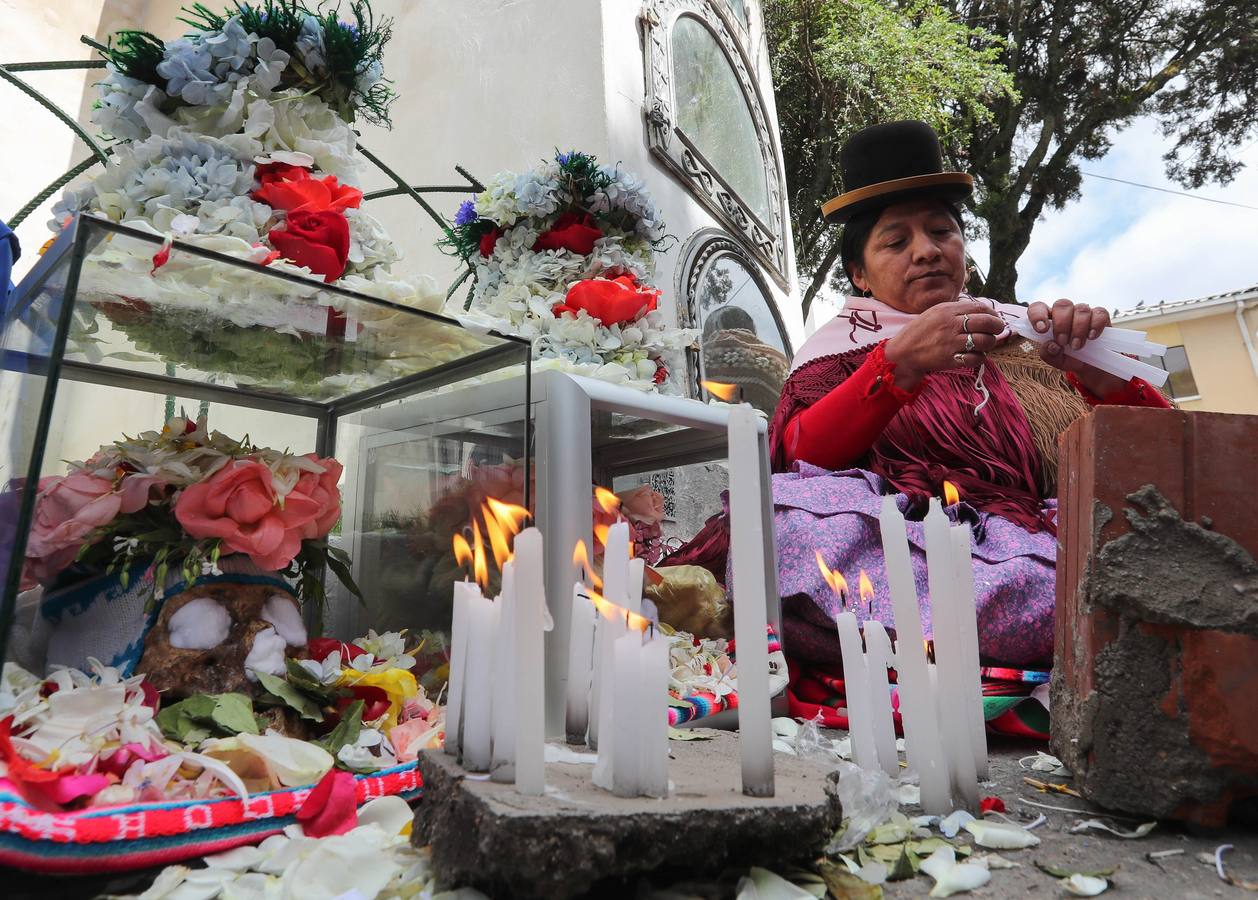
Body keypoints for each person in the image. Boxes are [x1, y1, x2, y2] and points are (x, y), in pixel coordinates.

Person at [663, 120, 1169, 738]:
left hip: (1026, 555)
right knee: (777, 520)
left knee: (1148, 543)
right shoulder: (836, 356)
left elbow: (1161, 475)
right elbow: (798, 457)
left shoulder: (1030, 344)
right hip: (901, 557)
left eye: (941, 232)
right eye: (896, 241)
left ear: (964, 252)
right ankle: (1051, 631)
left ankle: (1012, 628)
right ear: (859, 274)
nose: (926, 251)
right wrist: (898, 365)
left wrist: (1097, 373)